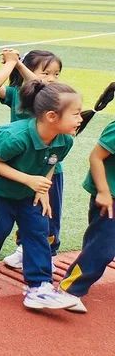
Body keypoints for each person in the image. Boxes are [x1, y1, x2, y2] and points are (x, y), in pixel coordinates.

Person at [0, 81, 82, 310]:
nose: (80, 118)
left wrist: (42, 189)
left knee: (38, 232)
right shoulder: (15, 137)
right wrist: (28, 180)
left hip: (30, 195)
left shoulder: (64, 140)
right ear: (52, 116)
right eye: (75, 114)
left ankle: (39, 286)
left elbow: (51, 162)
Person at [58, 118, 115, 311]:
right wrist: (103, 191)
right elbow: (96, 157)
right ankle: (70, 289)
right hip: (110, 198)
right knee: (102, 247)